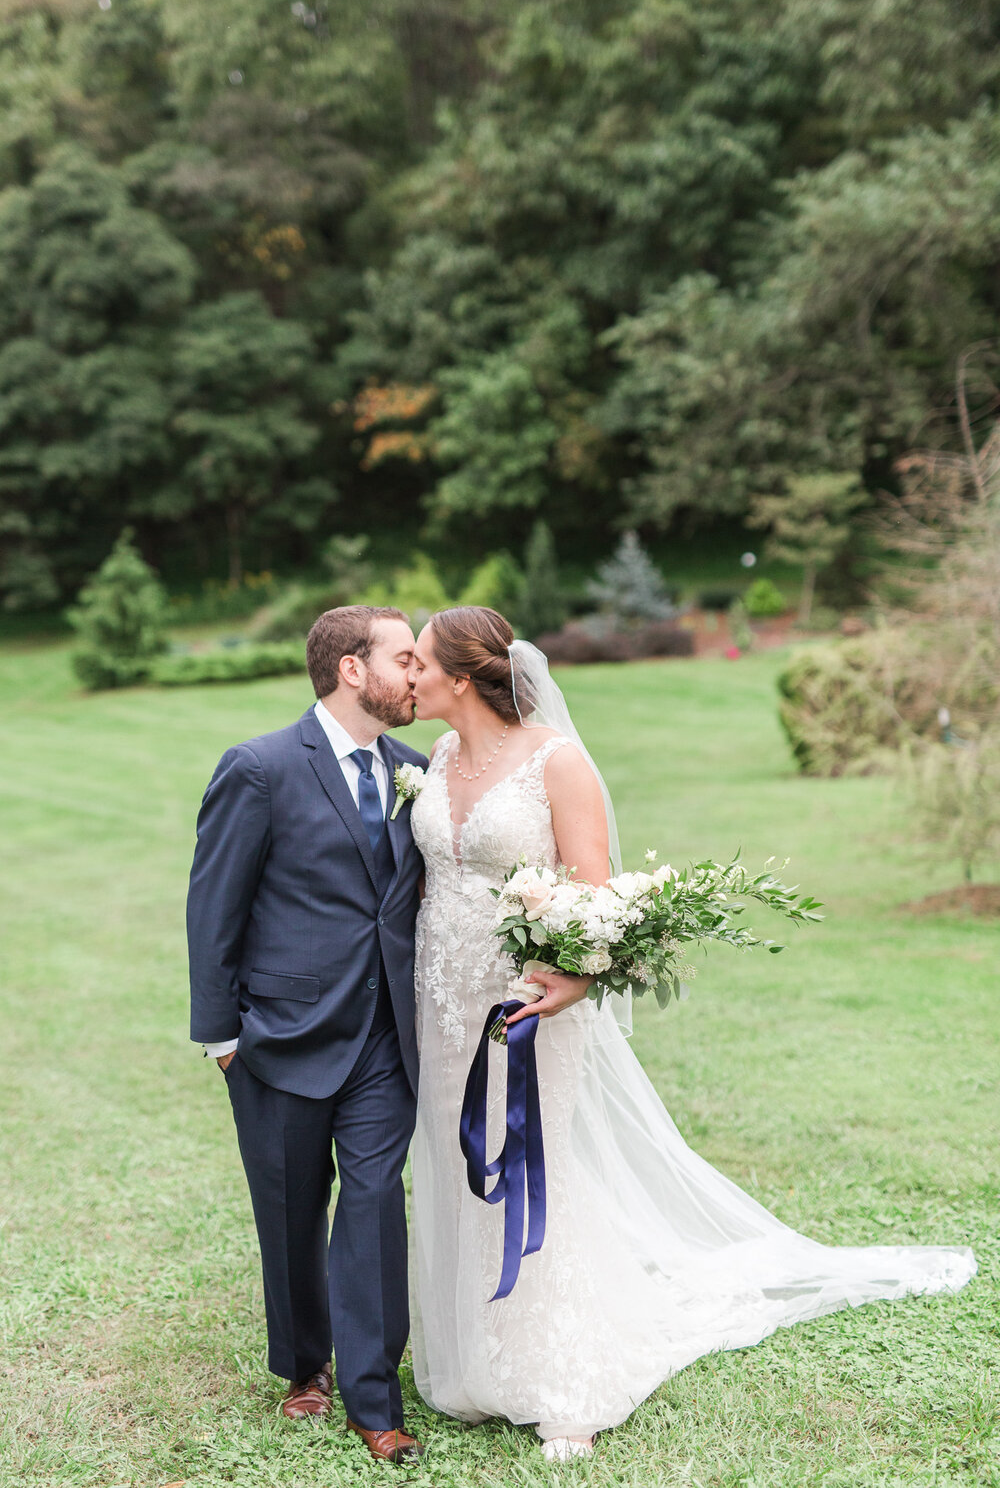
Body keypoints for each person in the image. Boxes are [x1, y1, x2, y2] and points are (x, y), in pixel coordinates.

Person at [405, 604, 976, 1464]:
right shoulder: (441, 758)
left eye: (416, 661)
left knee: (534, 1163)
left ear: (459, 675)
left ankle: (563, 1376)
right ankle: (477, 1357)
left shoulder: (556, 764)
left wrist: (574, 979)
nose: (404, 675)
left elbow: (597, 900)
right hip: (438, 1000)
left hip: (525, 1009)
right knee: (457, 1162)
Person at [186, 605, 429, 1467]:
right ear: (352, 670)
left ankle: (375, 1400)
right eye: (405, 657)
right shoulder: (258, 769)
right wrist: (221, 1035)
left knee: (371, 1205)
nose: (418, 673)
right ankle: (301, 1367)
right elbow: (215, 904)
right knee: (290, 1212)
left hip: (383, 1040)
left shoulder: (417, 770)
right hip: (278, 1035)